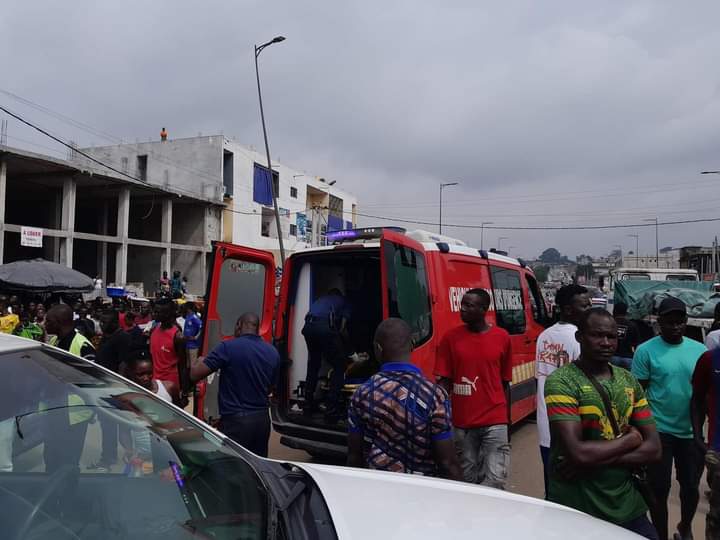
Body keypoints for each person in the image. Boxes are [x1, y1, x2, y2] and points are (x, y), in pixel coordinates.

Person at [545, 308, 661, 538]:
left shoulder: (628, 380)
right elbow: (578, 452)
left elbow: (654, 449)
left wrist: (589, 461)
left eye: (611, 337)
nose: (606, 342)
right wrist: (631, 439)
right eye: (597, 335)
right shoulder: (561, 381)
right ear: (580, 337)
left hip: (627, 503)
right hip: (576, 505)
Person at [347, 318, 462, 480]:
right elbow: (447, 462)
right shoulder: (435, 395)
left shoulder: (362, 393)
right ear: (413, 344)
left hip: (376, 489)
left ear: (377, 349)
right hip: (421, 492)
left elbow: (354, 456)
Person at [632, 297, 707, 540]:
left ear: (686, 322)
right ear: (658, 322)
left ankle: (685, 527)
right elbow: (638, 395)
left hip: (691, 433)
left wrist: (702, 434)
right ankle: (661, 535)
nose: (675, 326)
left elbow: (705, 395)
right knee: (659, 488)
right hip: (658, 431)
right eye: (669, 322)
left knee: (690, 488)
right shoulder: (645, 351)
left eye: (680, 322)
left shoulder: (700, 351)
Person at [435, 288, 512, 489]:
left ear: (484, 309)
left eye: (469, 305)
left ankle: (491, 517)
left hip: (495, 419)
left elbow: (504, 382)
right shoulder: (450, 339)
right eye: (462, 304)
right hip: (462, 423)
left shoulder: (502, 337)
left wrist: (507, 420)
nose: (462, 309)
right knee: (466, 479)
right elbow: (444, 382)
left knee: (495, 478)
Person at [190, 313, 280, 457]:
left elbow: (195, 374)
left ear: (238, 325)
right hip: (262, 421)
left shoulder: (228, 347)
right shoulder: (272, 352)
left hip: (237, 421)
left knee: (232, 467)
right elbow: (271, 387)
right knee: (257, 467)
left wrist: (199, 359)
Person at [535, 284, 590, 495]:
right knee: (573, 492)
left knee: (551, 487)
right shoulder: (579, 338)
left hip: (546, 424)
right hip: (571, 428)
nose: (589, 309)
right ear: (568, 309)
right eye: (584, 306)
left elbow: (539, 377)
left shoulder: (544, 336)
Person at [44, 304, 96, 472]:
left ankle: (68, 496)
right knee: (51, 458)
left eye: (49, 321)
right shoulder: (53, 341)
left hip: (73, 416)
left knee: (68, 463)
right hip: (54, 411)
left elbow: (92, 380)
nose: (45, 324)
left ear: (59, 322)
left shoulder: (82, 345)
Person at [301, 288, 351, 422]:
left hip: (308, 327)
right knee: (340, 366)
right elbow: (342, 329)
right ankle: (331, 410)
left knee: (314, 364)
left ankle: (307, 406)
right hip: (323, 327)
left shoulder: (321, 300)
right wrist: (347, 349)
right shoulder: (344, 301)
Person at [691, 347, 720, 540]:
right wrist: (697, 435)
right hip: (719, 451)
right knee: (717, 518)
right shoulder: (711, 358)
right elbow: (697, 398)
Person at [149, 298, 188, 402]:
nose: (153, 314)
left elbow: (183, 366)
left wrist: (184, 392)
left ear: (166, 314)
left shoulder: (178, 337)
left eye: (157, 312)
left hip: (170, 388)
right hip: (155, 384)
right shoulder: (153, 331)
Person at [612, 302, 641, 369]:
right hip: (628, 358)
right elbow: (637, 343)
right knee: (628, 378)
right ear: (626, 311)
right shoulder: (632, 325)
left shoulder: (611, 323)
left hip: (613, 357)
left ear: (614, 311)